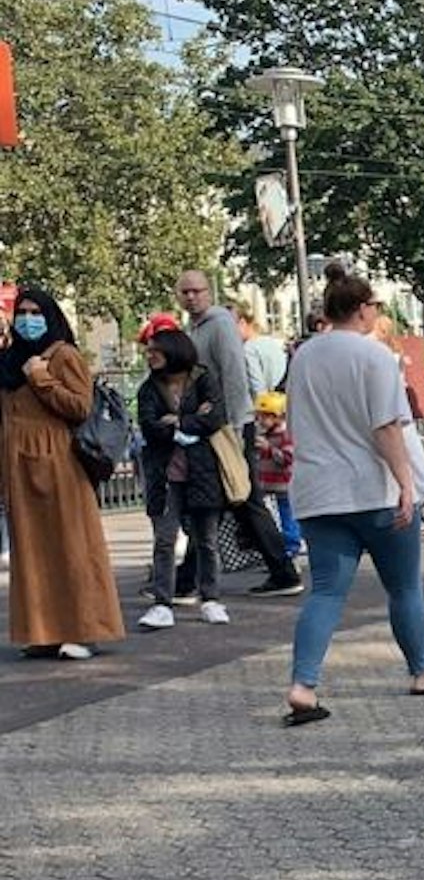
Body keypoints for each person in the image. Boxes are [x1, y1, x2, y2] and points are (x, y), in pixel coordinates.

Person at [281, 264, 424, 726]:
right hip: (374, 490)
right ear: (363, 310)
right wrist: (406, 483)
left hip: (320, 491)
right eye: (376, 307)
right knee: (403, 586)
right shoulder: (374, 357)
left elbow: (295, 422)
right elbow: (386, 426)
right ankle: (423, 671)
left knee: (324, 593)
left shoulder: (303, 356)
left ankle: (303, 684)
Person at [0, 288, 124, 659]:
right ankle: (42, 631)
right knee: (31, 554)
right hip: (18, 465)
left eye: (35, 311)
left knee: (72, 547)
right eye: (21, 311)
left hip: (58, 462)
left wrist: (42, 378)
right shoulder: (8, 360)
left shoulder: (63, 355)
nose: (27, 318)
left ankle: (83, 629)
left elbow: (79, 406)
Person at [175, 269, 302, 597]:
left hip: (229, 425)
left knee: (237, 496)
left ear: (209, 292)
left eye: (197, 291)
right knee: (230, 497)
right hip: (222, 424)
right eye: (185, 292)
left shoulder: (218, 326)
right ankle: (190, 579)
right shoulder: (200, 327)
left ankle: (188, 580)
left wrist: (233, 424)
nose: (191, 297)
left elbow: (232, 374)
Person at [134, 329, 232, 631]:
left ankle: (211, 598)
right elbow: (149, 425)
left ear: (173, 352)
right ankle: (163, 602)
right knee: (165, 539)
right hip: (165, 473)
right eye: (148, 351)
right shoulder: (149, 388)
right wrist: (191, 422)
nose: (149, 356)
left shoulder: (203, 379)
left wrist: (177, 421)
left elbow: (216, 417)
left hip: (202, 470)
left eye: (155, 351)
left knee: (207, 539)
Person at [254, 391, 304, 559]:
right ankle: (275, 545)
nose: (261, 420)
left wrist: (269, 449)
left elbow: (287, 458)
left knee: (287, 516)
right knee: (272, 518)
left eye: (266, 416)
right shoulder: (263, 435)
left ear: (279, 416)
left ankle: (292, 545)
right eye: (259, 416)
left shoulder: (285, 435)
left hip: (283, 485)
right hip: (267, 484)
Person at [238, 311, 288, 394]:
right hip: (282, 394)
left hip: (267, 400)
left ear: (242, 323)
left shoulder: (248, 349)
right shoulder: (269, 341)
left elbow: (257, 385)